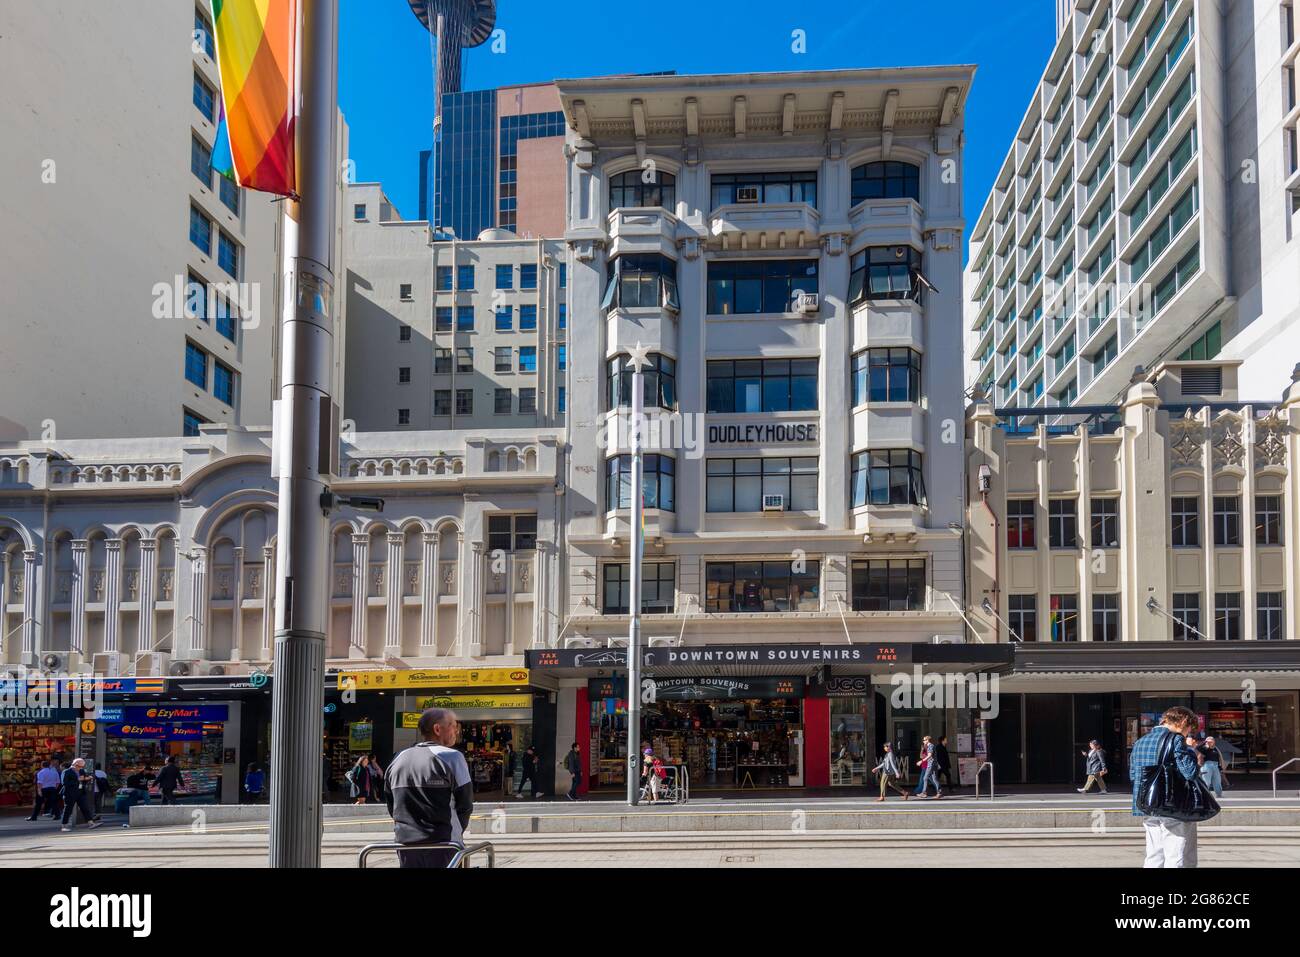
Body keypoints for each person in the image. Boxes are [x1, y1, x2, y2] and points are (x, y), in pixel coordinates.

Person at [384, 707, 474, 869]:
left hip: (405, 844)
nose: (457, 731)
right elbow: (465, 804)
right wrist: (455, 833)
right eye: (454, 725)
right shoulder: (452, 757)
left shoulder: (398, 758)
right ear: (438, 729)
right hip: (444, 843)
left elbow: (392, 804)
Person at [1131, 706, 1203, 868]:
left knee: (1154, 855)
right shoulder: (1176, 739)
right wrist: (1192, 750)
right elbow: (1190, 772)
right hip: (1172, 805)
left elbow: (1134, 775)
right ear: (1183, 722)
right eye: (1189, 729)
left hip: (1147, 804)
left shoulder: (1140, 742)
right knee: (1176, 855)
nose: (1188, 734)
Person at [59, 759, 101, 832]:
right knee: (68, 809)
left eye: (82, 766)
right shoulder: (66, 771)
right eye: (79, 766)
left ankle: (90, 823)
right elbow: (64, 783)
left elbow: (83, 779)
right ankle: (64, 825)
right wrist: (77, 779)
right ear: (75, 764)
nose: (80, 768)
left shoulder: (81, 771)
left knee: (85, 807)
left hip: (80, 792)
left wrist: (87, 779)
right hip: (70, 793)